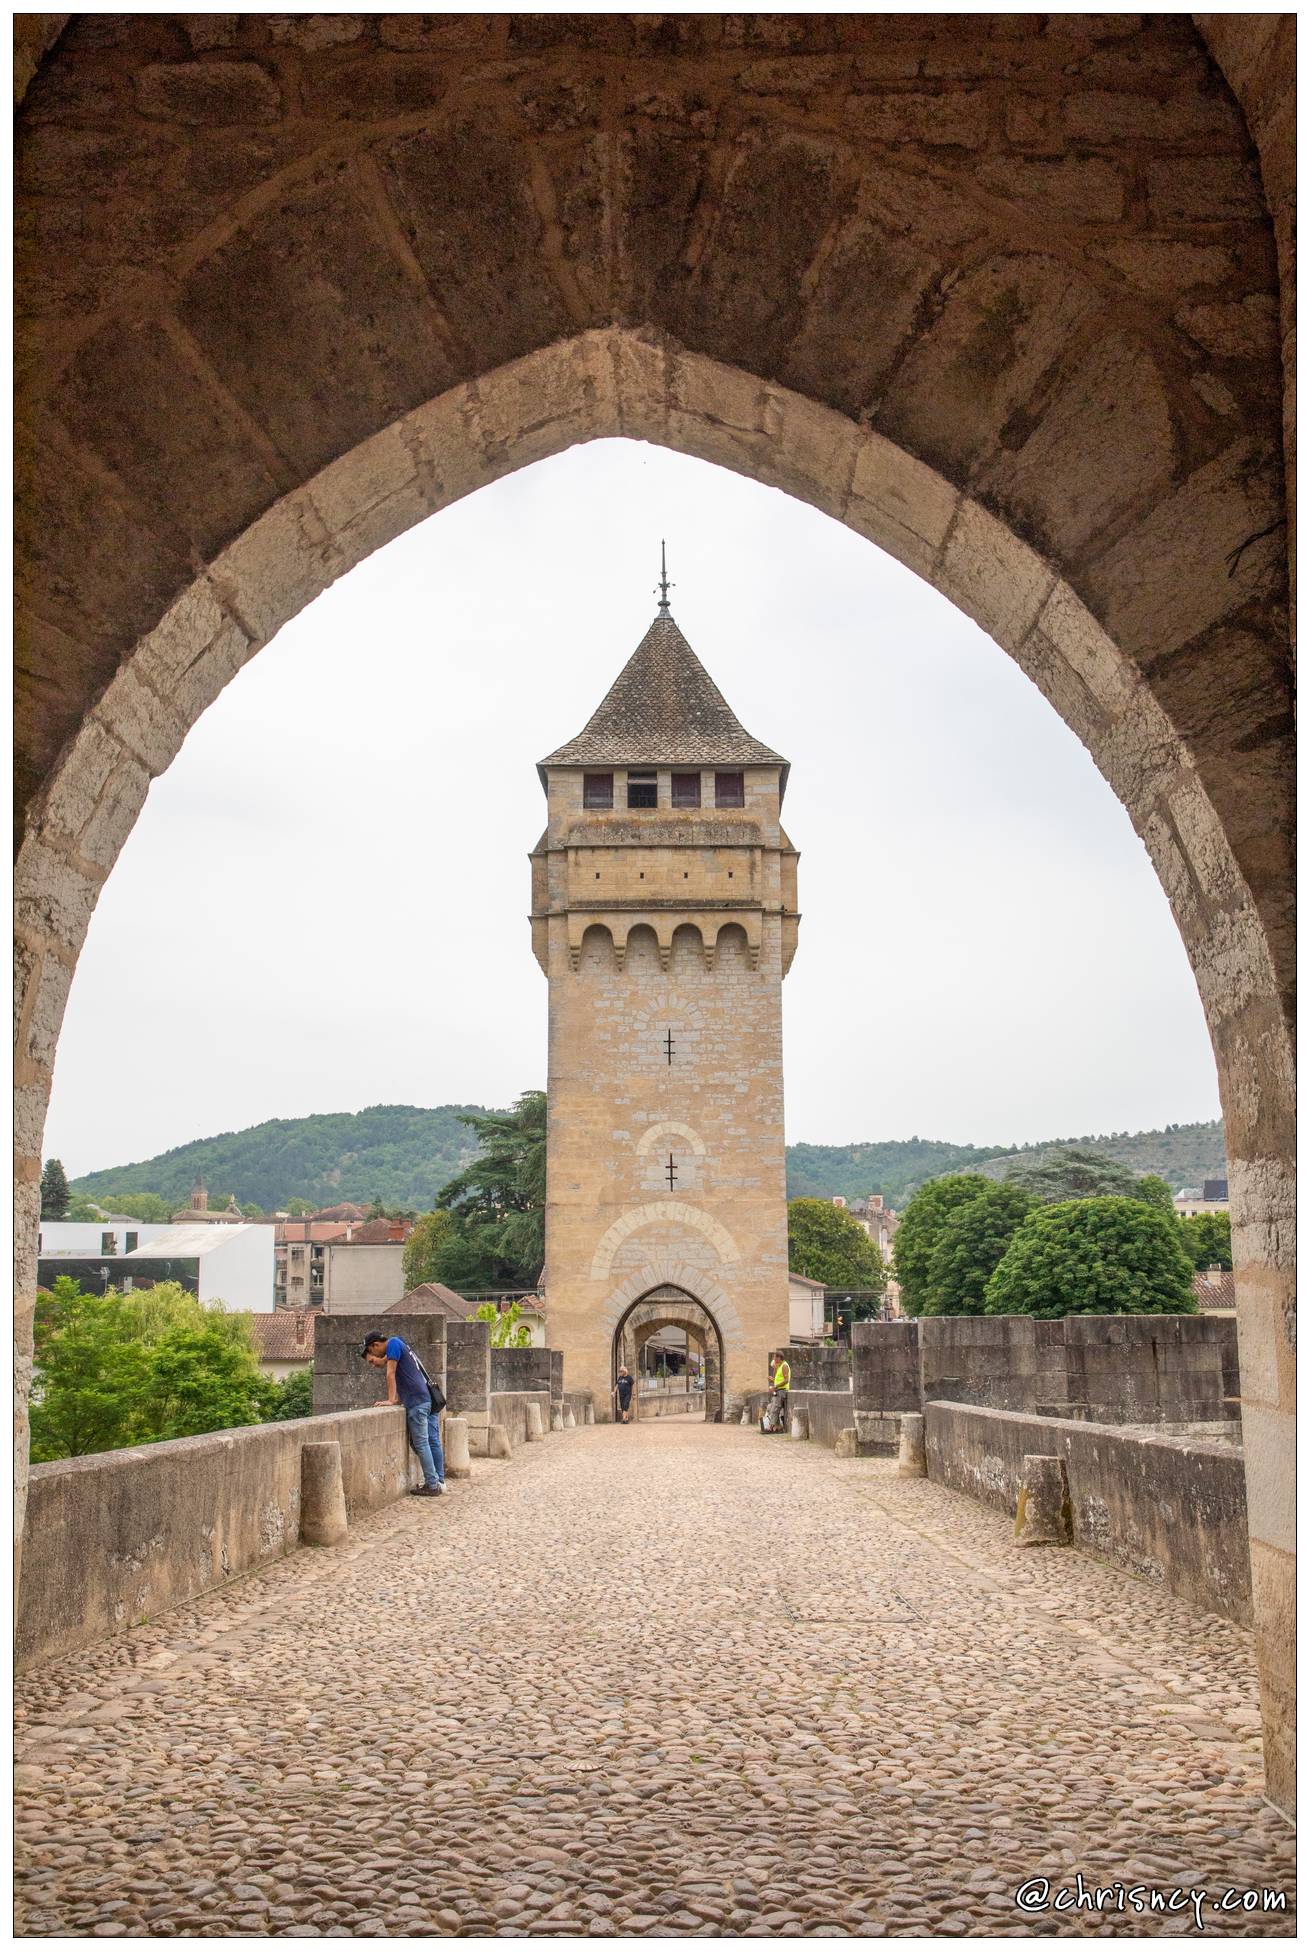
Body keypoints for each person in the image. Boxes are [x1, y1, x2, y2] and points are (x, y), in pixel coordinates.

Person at [361, 1331, 445, 1498]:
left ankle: (433, 1484)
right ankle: (438, 1480)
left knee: (421, 1444)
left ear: (375, 1345)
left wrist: (391, 1400)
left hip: (417, 1402)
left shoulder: (392, 1344)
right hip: (424, 1399)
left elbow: (390, 1373)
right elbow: (397, 1369)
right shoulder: (398, 1343)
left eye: (372, 1356)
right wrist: (381, 1361)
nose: (374, 1362)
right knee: (428, 1442)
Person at [771, 1349, 791, 1431]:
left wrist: (776, 1387)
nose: (774, 1360)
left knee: (776, 1408)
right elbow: (776, 1378)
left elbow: (786, 1380)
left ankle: (771, 1426)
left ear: (779, 1357)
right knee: (774, 1408)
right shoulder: (779, 1366)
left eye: (775, 1358)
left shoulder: (784, 1366)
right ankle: (776, 1427)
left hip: (782, 1390)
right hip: (778, 1390)